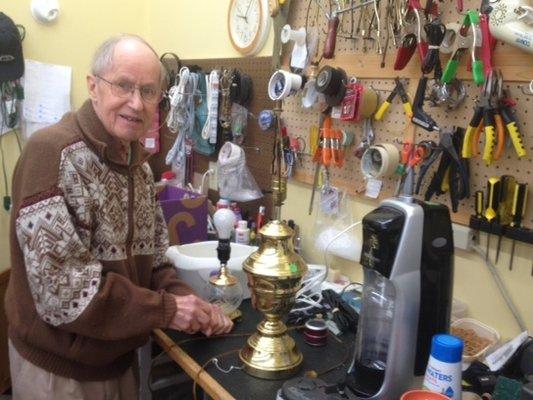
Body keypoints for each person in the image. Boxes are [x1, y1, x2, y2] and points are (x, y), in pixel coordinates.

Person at [4, 34, 233, 399]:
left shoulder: (138, 167)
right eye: (123, 86)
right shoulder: (51, 154)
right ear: (93, 86)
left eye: (148, 91)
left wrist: (191, 304)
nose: (136, 103)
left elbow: (156, 264)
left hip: (117, 359)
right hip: (61, 372)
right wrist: (167, 310)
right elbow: (65, 293)